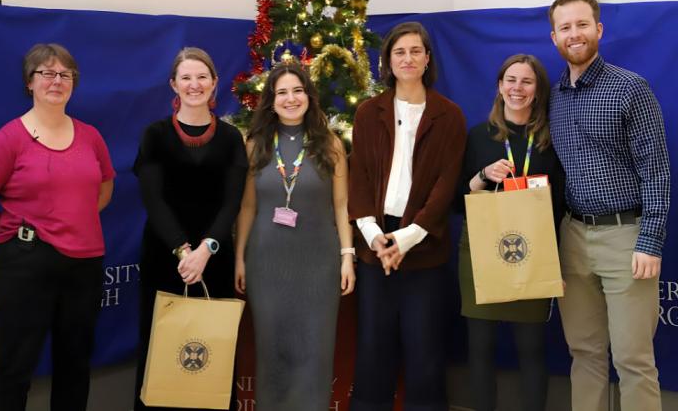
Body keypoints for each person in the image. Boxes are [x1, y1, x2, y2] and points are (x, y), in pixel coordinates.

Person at [0, 43, 115, 411]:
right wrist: (18, 233)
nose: (56, 81)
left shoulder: (91, 137)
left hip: (84, 264)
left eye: (65, 74)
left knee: (75, 364)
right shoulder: (8, 138)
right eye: (46, 73)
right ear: (29, 82)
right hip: (26, 264)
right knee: (15, 365)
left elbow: (105, 189)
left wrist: (72, 219)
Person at [548, 0, 670, 411]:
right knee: (584, 353)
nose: (574, 34)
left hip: (627, 237)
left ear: (598, 29)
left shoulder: (630, 88)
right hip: (573, 238)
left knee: (633, 360)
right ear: (554, 37)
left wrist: (650, 240)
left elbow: (656, 169)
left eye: (582, 25)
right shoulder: (555, 96)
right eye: (565, 27)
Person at [348, 21, 467, 411]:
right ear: (387, 61)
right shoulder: (369, 112)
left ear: (428, 58)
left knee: (425, 357)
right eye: (399, 52)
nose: (408, 58)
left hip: (424, 248)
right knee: (372, 354)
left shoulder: (449, 116)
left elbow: (445, 186)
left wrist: (407, 237)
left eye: (416, 51)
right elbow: (360, 175)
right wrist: (373, 234)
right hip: (375, 246)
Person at [234, 62, 356, 411]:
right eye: (282, 92)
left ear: (309, 96)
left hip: (318, 264)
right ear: (271, 101)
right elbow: (246, 208)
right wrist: (240, 258)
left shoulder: (330, 144)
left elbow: (342, 204)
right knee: (272, 351)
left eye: (298, 90)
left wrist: (347, 256)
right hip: (266, 263)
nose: (291, 99)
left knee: (315, 353)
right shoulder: (255, 144)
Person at [132, 47, 247, 411]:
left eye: (202, 77)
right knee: (161, 351)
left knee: (212, 353)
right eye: (186, 77)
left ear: (215, 83)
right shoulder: (155, 135)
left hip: (215, 259)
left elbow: (233, 202)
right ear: (174, 84)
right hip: (166, 259)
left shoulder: (231, 138)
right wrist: (184, 251)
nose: (194, 84)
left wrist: (205, 250)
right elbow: (154, 200)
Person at [455, 54, 565, 411]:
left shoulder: (552, 137)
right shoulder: (478, 135)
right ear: (499, 87)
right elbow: (461, 198)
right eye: (511, 80)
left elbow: (561, 203)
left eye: (526, 82)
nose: (518, 88)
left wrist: (557, 262)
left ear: (537, 90)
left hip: (533, 250)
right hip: (482, 249)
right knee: (480, 347)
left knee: (532, 348)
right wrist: (484, 176)